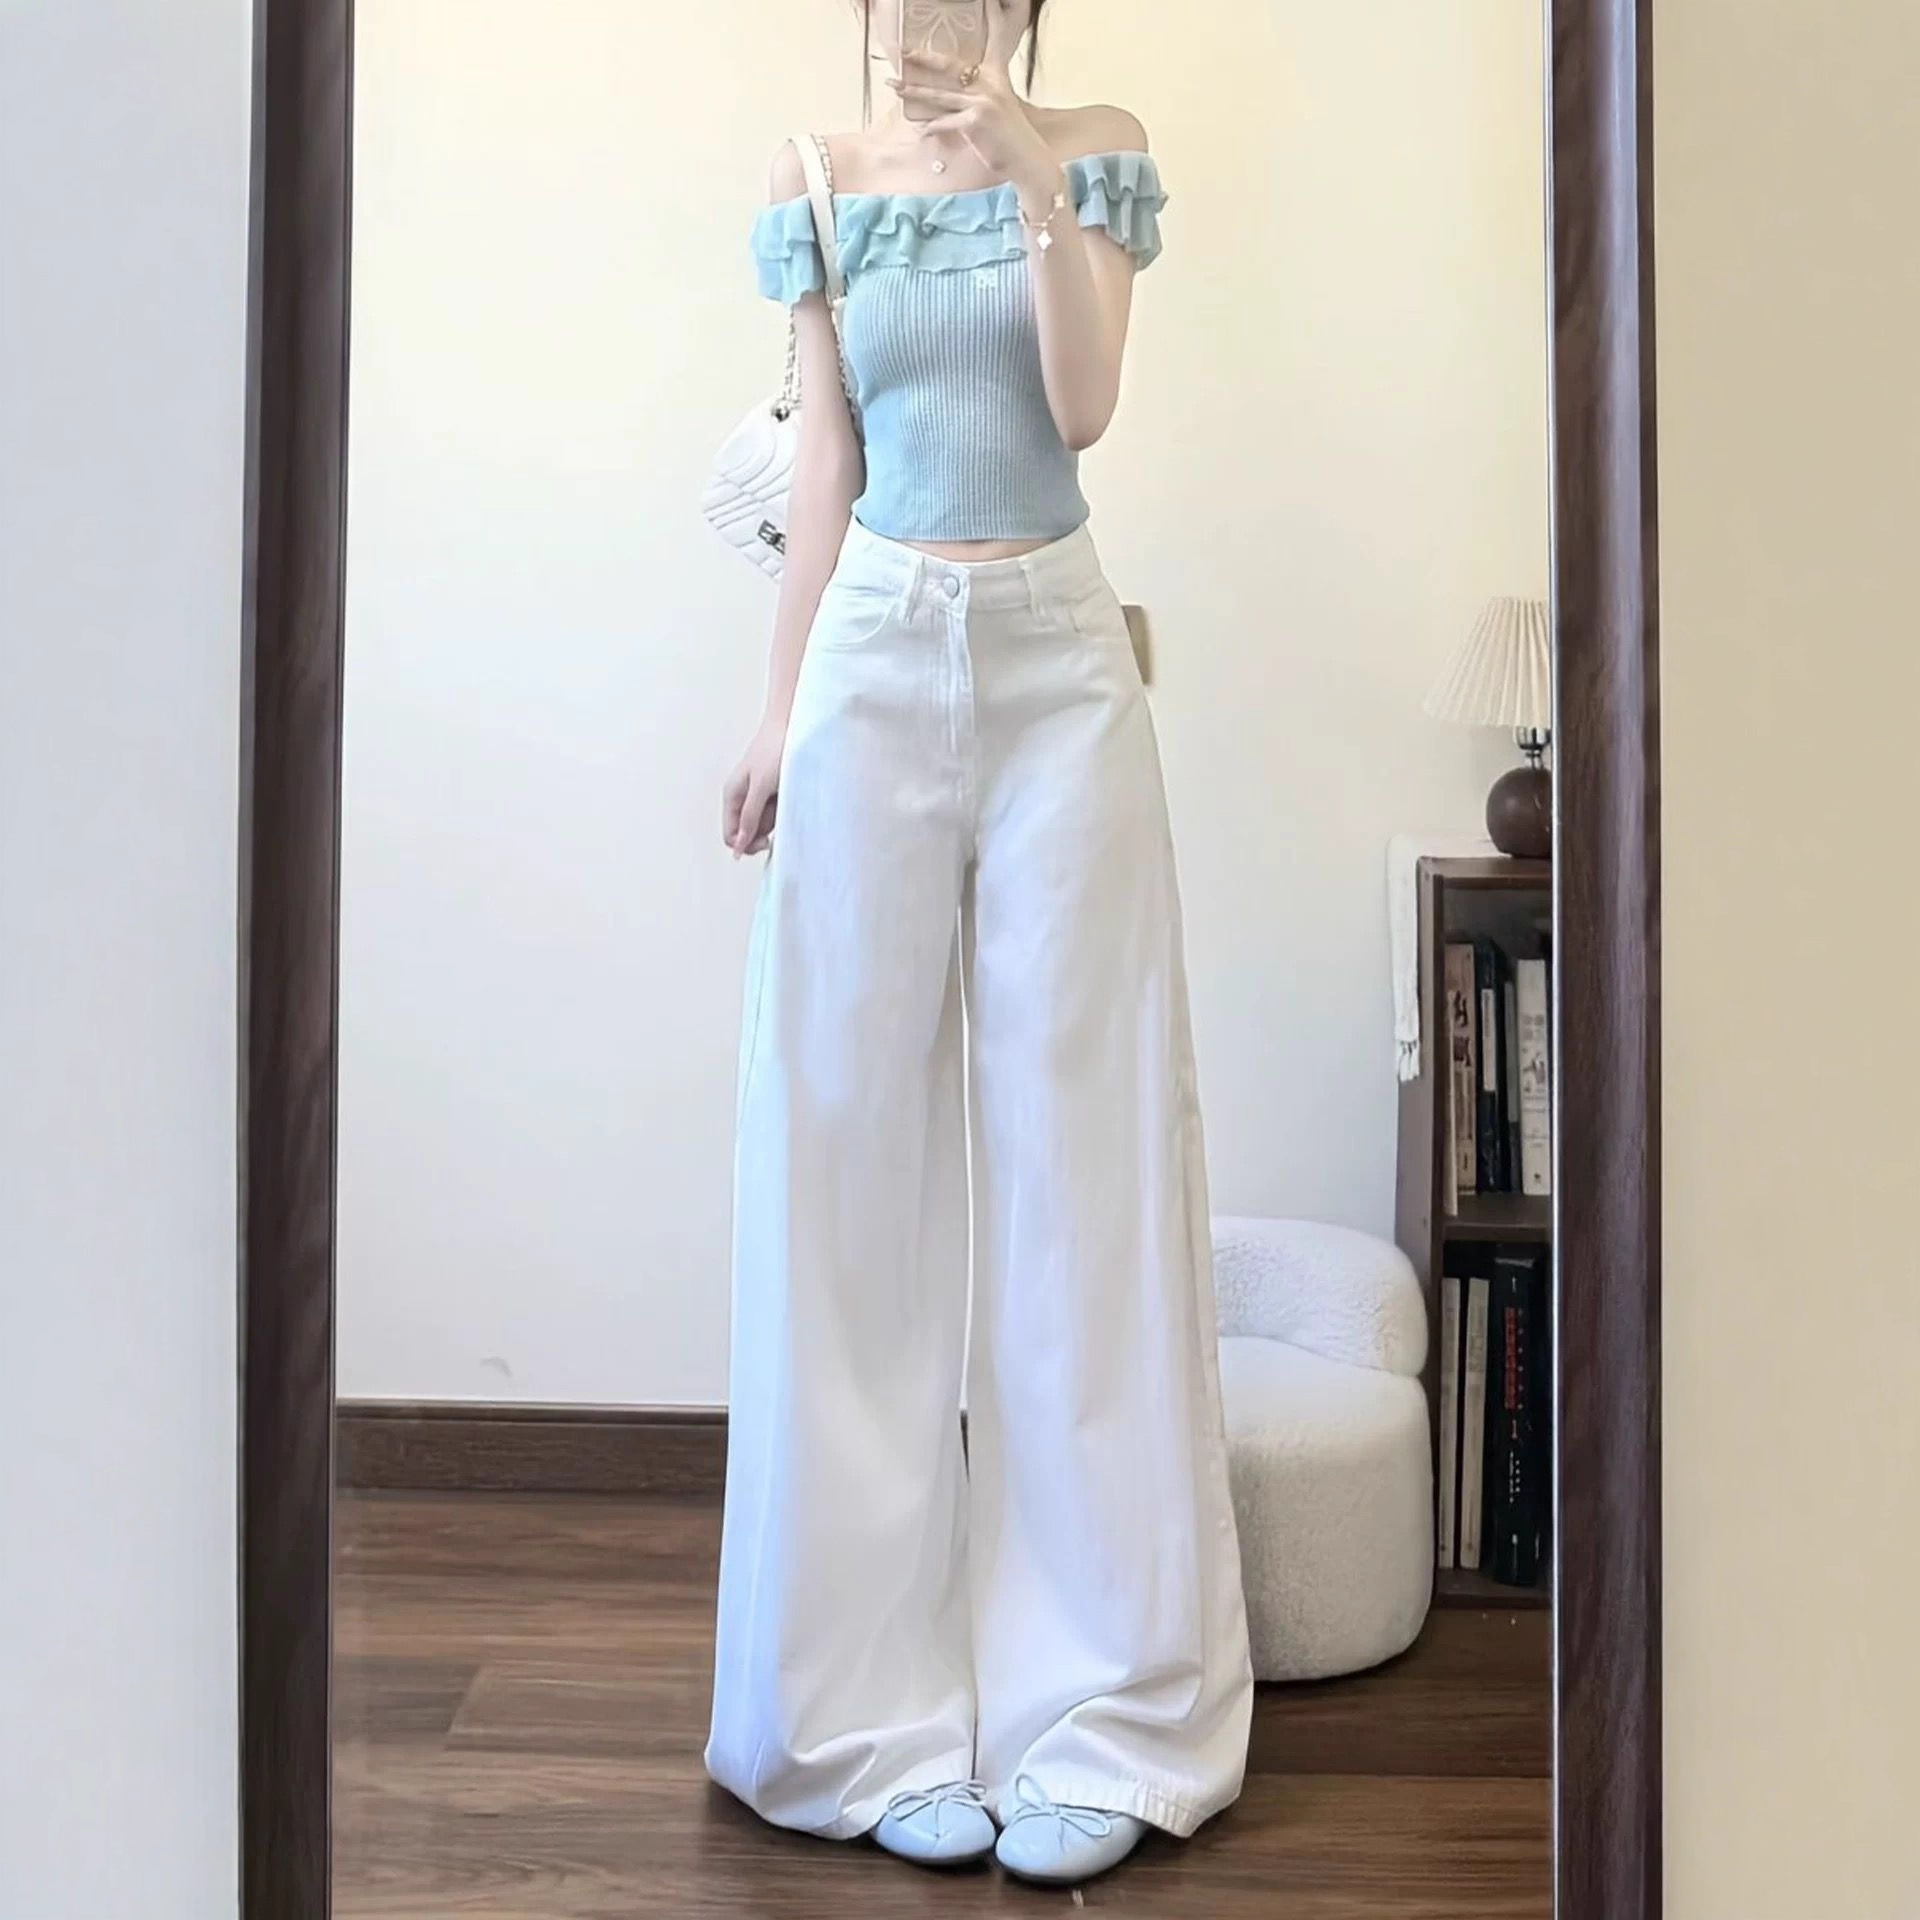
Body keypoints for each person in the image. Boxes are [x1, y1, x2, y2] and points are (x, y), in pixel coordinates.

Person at [705, 0, 1253, 1885]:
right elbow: (824, 474)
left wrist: (1027, 163)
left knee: (1084, 1169)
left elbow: (1081, 407)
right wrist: (778, 713)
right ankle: (853, 1719)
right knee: (843, 1165)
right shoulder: (816, 179)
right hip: (873, 654)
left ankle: (1102, 1714)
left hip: (1058, 667)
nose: (919, 26)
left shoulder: (1095, 144)